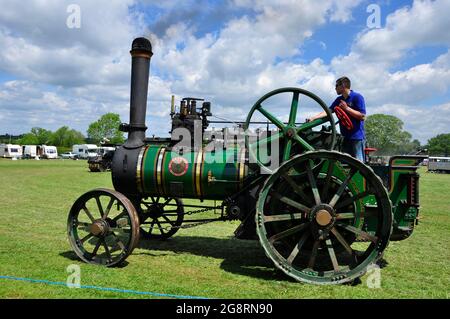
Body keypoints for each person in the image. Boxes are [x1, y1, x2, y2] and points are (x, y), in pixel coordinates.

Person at [307, 76, 366, 162]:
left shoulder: (357, 97)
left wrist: (346, 108)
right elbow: (328, 111)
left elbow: (362, 116)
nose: (335, 88)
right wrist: (313, 118)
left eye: (336, 86)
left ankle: (361, 176)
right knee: (346, 162)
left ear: (342, 86)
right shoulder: (339, 99)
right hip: (345, 136)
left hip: (356, 136)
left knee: (359, 162)